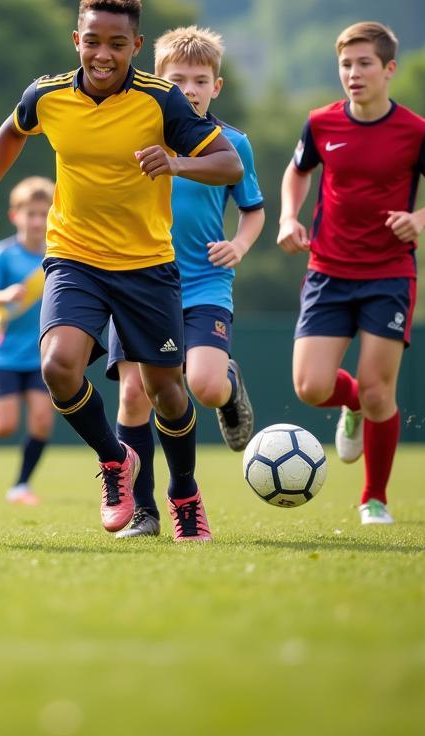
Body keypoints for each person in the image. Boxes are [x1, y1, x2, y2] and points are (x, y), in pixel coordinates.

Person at [0, 0, 244, 542]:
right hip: (75, 259)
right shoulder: (47, 95)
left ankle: (185, 494)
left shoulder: (161, 100)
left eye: (117, 44)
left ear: (136, 45)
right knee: (57, 367)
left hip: (147, 267)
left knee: (166, 391)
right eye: (92, 41)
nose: (102, 54)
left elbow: (229, 163)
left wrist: (174, 162)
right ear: (76, 40)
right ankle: (115, 461)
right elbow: (10, 133)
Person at [277, 21, 425, 525]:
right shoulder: (320, 123)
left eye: (364, 64)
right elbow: (298, 171)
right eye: (345, 64)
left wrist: (419, 219)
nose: (353, 74)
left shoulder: (417, 132)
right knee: (311, 388)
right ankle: (354, 407)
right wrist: (287, 217)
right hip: (327, 272)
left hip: (388, 274)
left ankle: (373, 499)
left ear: (389, 69)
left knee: (381, 388)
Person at [108, 26, 264, 539]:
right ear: (160, 81)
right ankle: (148, 512)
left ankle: (230, 385)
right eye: (179, 79)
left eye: (201, 79)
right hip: (136, 281)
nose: (191, 88)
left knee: (202, 384)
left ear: (216, 86)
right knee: (134, 395)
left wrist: (238, 245)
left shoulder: (232, 145)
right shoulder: (135, 134)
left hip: (204, 287)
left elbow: (253, 212)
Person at [0, 176, 55, 505]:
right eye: (30, 213)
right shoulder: (3, 255)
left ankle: (20, 485)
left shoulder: (58, 257)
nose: (37, 221)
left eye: (44, 214)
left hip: (41, 354)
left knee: (43, 420)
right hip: (3, 353)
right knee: (5, 426)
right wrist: (3, 295)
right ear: (15, 215)